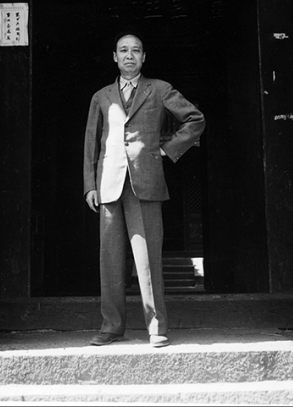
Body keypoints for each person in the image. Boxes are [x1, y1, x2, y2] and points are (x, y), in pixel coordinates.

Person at [83, 31, 205, 348]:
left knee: (148, 257)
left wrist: (165, 149)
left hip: (146, 183)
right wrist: (89, 186)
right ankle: (111, 326)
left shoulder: (160, 89)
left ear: (144, 57)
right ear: (114, 56)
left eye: (136, 50)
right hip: (108, 184)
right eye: (123, 50)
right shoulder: (101, 96)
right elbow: (91, 144)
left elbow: (195, 119)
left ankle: (156, 326)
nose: (129, 55)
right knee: (109, 259)